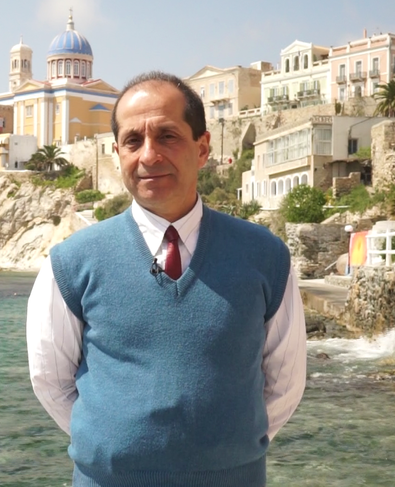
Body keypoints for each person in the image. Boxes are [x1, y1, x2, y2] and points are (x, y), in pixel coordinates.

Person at [26, 71, 307, 487]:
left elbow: (285, 382)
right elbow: (50, 380)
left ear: (203, 147)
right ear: (117, 153)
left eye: (167, 136)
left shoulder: (265, 256)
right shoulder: (70, 263)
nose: (149, 155)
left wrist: (226, 454)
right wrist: (111, 447)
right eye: (132, 141)